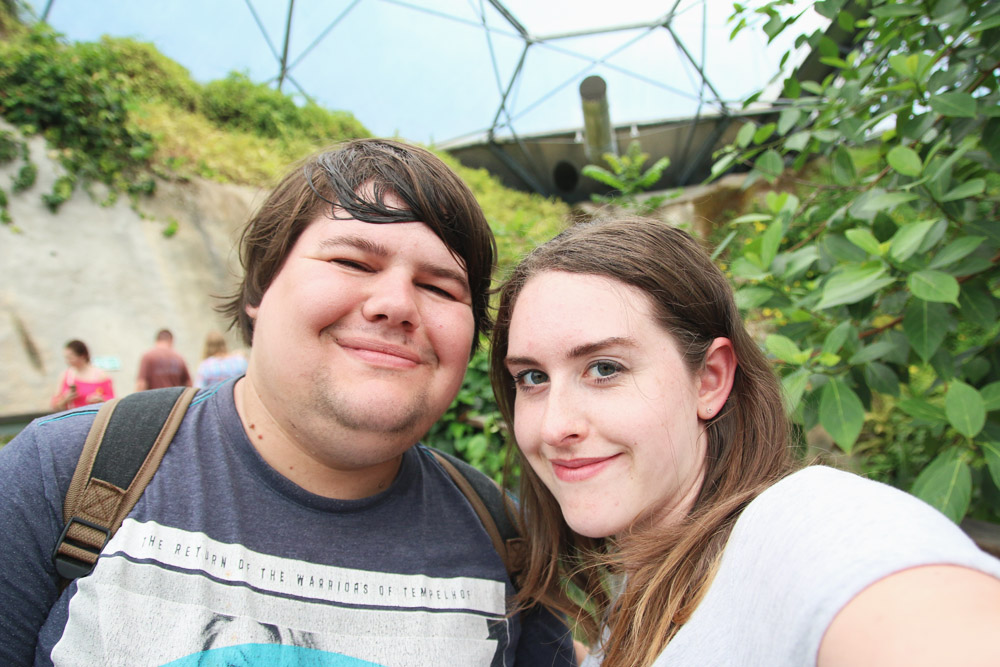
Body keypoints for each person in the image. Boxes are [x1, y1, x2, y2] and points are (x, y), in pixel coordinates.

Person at [0, 139, 576, 666]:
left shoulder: (509, 543)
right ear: (260, 287)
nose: (397, 304)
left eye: (439, 287)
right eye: (352, 261)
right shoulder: (62, 474)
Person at [489, 216, 1000, 667]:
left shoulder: (802, 525)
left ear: (709, 379)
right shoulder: (648, 587)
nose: (555, 427)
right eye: (532, 378)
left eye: (604, 368)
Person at [50, 339, 115, 410]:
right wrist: (65, 399)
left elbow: (113, 401)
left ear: (82, 356)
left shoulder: (101, 375)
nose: (68, 361)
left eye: (71, 357)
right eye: (66, 358)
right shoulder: (66, 376)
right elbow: (54, 405)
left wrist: (101, 399)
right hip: (72, 417)